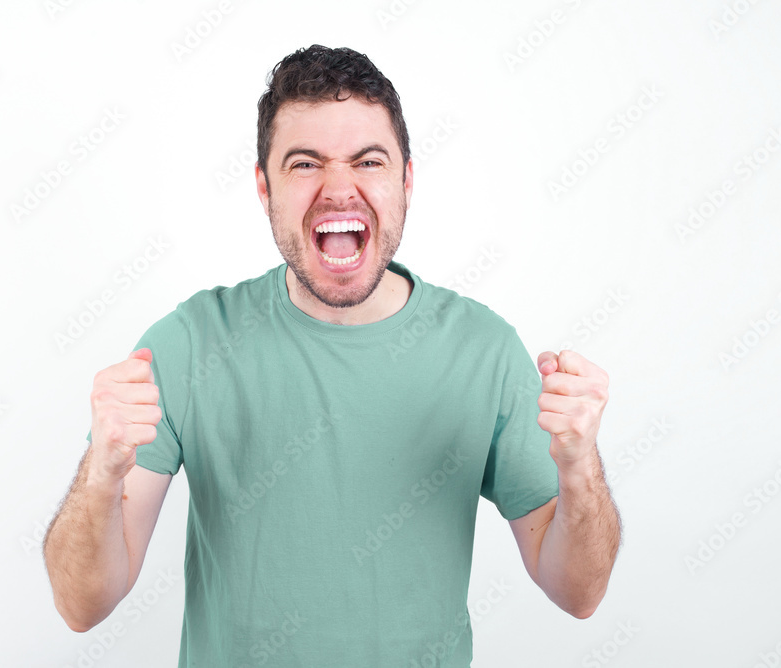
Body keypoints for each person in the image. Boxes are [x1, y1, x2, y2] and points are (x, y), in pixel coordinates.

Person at [43, 44, 622, 666]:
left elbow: (579, 593)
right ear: (264, 188)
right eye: (305, 164)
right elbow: (81, 605)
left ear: (405, 182)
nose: (339, 189)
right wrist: (100, 473)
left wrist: (579, 467)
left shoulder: (485, 351)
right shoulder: (190, 343)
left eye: (368, 161)